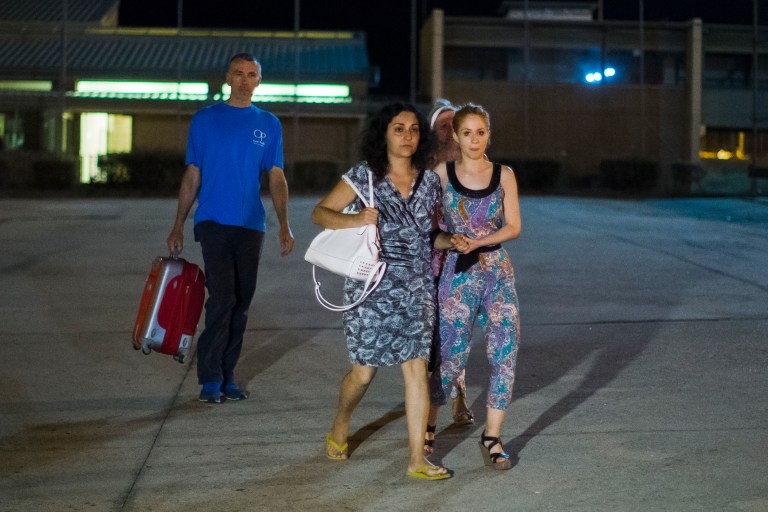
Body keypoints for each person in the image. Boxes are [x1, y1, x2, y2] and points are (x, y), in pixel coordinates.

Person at [312, 103, 453, 481]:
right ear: (383, 134)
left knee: (416, 369)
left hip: (418, 287)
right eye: (398, 128)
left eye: (413, 129)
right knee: (363, 374)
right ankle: (341, 422)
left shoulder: (429, 182)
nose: (407, 136)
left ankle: (416, 461)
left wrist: (449, 240)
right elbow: (321, 213)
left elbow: (428, 235)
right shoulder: (365, 177)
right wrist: (356, 218)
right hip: (372, 286)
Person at [166, 53, 295, 404]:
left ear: (259, 81)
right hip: (213, 221)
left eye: (251, 74)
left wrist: (284, 223)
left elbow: (276, 176)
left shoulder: (268, 124)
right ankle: (210, 377)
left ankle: (227, 375)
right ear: (227, 78)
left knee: (241, 302)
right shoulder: (205, 120)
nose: (243, 79)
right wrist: (178, 223)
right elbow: (193, 175)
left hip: (251, 224)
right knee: (222, 297)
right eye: (238, 73)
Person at [427, 103, 522, 470]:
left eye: (480, 132)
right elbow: (430, 228)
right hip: (458, 274)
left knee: (505, 354)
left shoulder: (504, 175)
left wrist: (479, 242)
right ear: (455, 135)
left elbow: (514, 226)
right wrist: (452, 240)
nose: (474, 139)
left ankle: (493, 437)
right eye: (466, 133)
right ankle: (430, 426)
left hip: (498, 274)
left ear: (489, 134)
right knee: (450, 358)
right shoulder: (441, 173)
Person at [426, 99, 474, 440]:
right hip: (428, 264)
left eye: (453, 124)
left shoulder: (473, 167)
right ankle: (429, 402)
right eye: (443, 124)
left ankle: (458, 396)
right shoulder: (423, 169)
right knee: (431, 340)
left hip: (462, 263)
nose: (449, 129)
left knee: (457, 335)